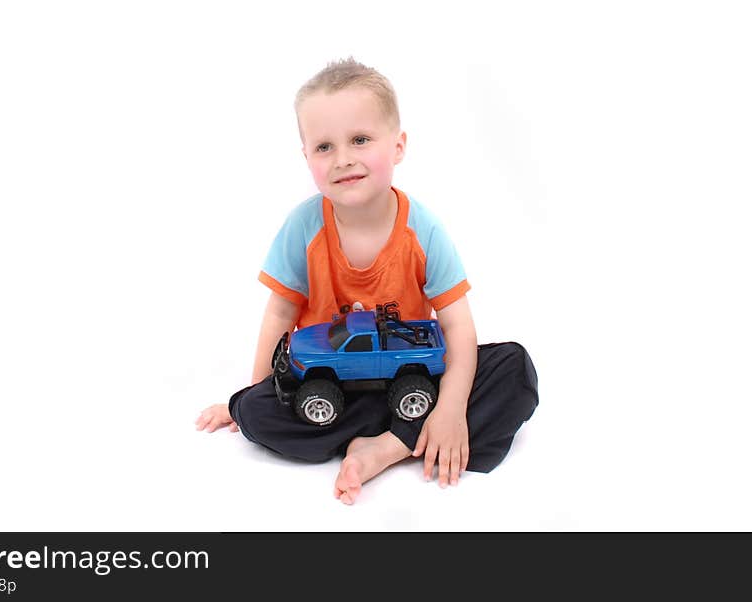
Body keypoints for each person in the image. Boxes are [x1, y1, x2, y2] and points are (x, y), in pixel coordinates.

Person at [196, 58, 538, 505]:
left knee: (514, 368)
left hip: (412, 374)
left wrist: (451, 406)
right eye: (324, 147)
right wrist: (250, 395)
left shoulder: (424, 230)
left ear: (397, 146)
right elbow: (280, 314)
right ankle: (407, 430)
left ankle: (387, 447)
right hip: (335, 387)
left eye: (360, 139)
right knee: (258, 415)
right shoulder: (302, 227)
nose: (343, 159)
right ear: (306, 158)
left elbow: (458, 328)